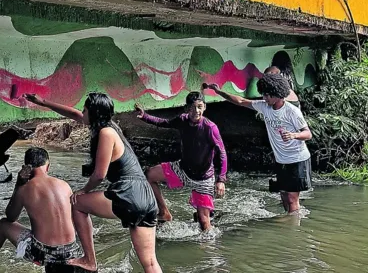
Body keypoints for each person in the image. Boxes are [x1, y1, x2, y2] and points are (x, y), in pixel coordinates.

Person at [24, 92, 161, 273]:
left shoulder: (106, 133)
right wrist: (43, 102)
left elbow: (99, 174)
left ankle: (90, 260)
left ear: (93, 113)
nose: (82, 112)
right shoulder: (109, 126)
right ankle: (89, 260)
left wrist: (83, 189)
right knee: (150, 263)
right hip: (146, 197)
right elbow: (74, 115)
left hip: (129, 193)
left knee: (77, 204)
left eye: (85, 109)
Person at [205, 73, 312, 214]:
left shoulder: (292, 112)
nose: (264, 98)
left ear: (278, 94)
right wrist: (219, 92)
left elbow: (308, 134)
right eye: (263, 94)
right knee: (284, 197)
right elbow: (241, 101)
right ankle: (291, 224)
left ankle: (294, 230)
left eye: (267, 95)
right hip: (281, 160)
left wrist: (294, 135)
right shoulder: (264, 107)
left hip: (297, 159)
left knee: (292, 199)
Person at [0, 147, 81, 271]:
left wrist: (18, 184)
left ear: (26, 168)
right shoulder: (64, 185)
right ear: (48, 166)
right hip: (72, 250)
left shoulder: (25, 188)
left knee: (3, 224)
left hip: (44, 254)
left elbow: (11, 216)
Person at [134, 91, 227, 231]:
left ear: (205, 107)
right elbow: (164, 123)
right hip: (182, 169)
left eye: (200, 107)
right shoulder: (182, 120)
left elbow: (222, 154)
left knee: (204, 223)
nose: (197, 111)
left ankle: (210, 250)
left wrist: (221, 180)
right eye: (193, 107)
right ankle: (164, 213)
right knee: (149, 175)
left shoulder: (210, 128)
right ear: (186, 109)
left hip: (203, 178)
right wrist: (145, 116)